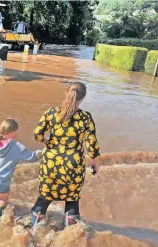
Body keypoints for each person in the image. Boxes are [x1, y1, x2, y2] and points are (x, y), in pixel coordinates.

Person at [30, 81, 100, 228]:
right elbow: (91, 144)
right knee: (72, 199)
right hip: (73, 165)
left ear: (66, 94)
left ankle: (34, 230)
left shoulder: (51, 113)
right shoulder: (86, 117)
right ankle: (70, 233)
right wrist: (95, 163)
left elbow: (37, 134)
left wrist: (48, 143)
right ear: (83, 97)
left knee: (44, 196)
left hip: (50, 163)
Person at [0, 119, 42, 224]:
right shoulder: (17, 146)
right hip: (2, 179)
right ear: (12, 133)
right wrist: (42, 152)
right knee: (3, 200)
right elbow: (31, 157)